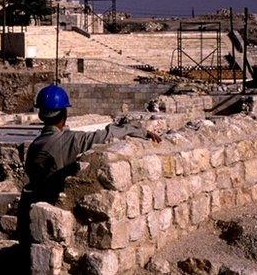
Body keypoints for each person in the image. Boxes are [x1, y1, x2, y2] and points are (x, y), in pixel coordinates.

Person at [17, 84, 160, 241]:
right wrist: (141, 130)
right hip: (57, 220)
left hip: (32, 218)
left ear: (41, 115)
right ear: (64, 113)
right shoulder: (72, 140)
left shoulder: (34, 146)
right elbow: (107, 134)